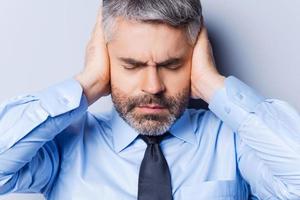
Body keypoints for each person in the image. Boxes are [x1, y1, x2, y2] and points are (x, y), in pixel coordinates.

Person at [0, 0, 300, 199]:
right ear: (105, 59)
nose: (153, 86)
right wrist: (87, 82)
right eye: (131, 65)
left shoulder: (233, 141)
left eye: (172, 65)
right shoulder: (64, 144)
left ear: (195, 58)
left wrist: (212, 84)